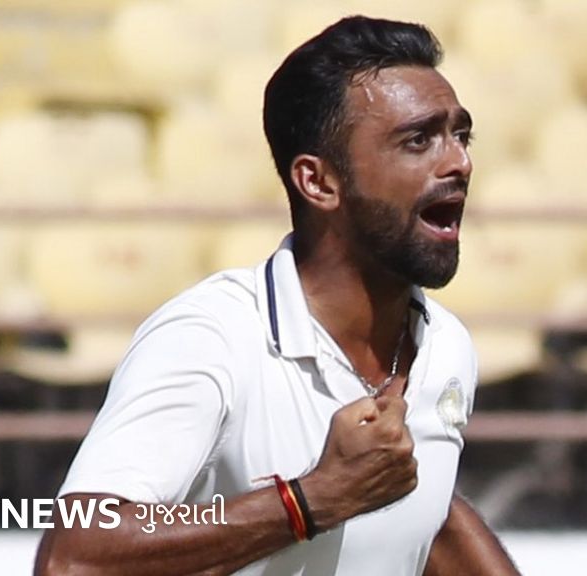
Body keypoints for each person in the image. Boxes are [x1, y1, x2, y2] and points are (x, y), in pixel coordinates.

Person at [35, 15, 520, 576]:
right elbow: (73, 560)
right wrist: (309, 501)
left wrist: (361, 488)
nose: (459, 162)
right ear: (318, 182)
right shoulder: (211, 336)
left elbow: (421, 510)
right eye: (418, 140)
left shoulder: (447, 345)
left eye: (461, 135)